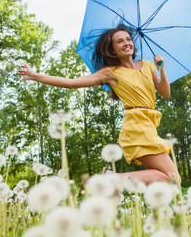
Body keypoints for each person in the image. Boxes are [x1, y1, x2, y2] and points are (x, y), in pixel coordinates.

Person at [18, 25, 181, 185]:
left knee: (170, 178)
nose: (126, 43)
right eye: (119, 41)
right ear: (112, 49)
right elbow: (73, 83)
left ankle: (114, 179)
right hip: (137, 126)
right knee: (173, 178)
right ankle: (112, 179)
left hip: (148, 124)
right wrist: (36, 76)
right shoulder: (111, 73)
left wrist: (161, 68)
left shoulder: (147, 65)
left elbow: (165, 93)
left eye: (128, 39)